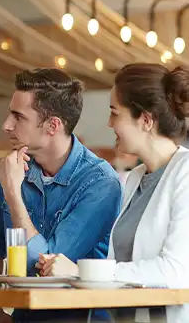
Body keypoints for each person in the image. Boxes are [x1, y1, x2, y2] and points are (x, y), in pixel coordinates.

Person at [40, 63, 189, 322]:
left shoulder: (185, 173)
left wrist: (81, 272)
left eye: (114, 113)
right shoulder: (135, 178)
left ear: (145, 120)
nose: (109, 123)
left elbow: (175, 270)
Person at [0, 68, 122, 322]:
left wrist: (13, 194)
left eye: (18, 117)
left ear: (52, 125)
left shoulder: (100, 183)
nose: (6, 125)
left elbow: (48, 266)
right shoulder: (16, 168)